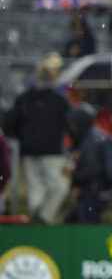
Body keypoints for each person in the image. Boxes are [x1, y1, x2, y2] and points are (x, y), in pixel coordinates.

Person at [2, 53, 71, 223]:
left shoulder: (25, 98)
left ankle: (39, 222)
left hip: (33, 150)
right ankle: (43, 221)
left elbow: (9, 123)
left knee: (38, 191)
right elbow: (69, 125)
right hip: (50, 152)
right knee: (57, 188)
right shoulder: (59, 100)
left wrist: (22, 137)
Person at [65, 109, 112, 223]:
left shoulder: (93, 139)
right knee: (71, 219)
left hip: (101, 189)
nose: (71, 127)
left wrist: (74, 177)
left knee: (86, 216)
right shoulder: (87, 136)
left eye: (73, 124)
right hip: (94, 187)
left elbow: (93, 170)